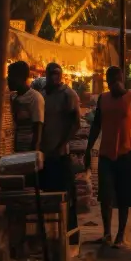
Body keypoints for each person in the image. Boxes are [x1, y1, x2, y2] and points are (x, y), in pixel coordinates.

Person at [86, 66, 131, 248]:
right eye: (110, 81)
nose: (113, 85)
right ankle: (106, 233)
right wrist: (88, 149)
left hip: (127, 153)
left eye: (115, 81)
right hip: (106, 153)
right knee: (105, 195)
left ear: (121, 80)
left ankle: (120, 235)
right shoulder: (103, 99)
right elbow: (96, 126)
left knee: (123, 196)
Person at [39, 62, 81, 244]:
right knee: (47, 197)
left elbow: (75, 124)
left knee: (66, 198)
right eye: (51, 74)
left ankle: (71, 237)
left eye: (57, 74)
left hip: (61, 154)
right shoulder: (42, 95)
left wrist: (61, 144)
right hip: (44, 155)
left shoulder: (68, 95)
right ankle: (52, 237)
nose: (54, 77)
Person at [7, 60, 44, 154]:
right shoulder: (13, 97)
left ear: (21, 78)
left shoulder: (35, 97)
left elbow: (38, 130)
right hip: (12, 149)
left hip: (26, 151)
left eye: (11, 76)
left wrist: (32, 156)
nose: (8, 79)